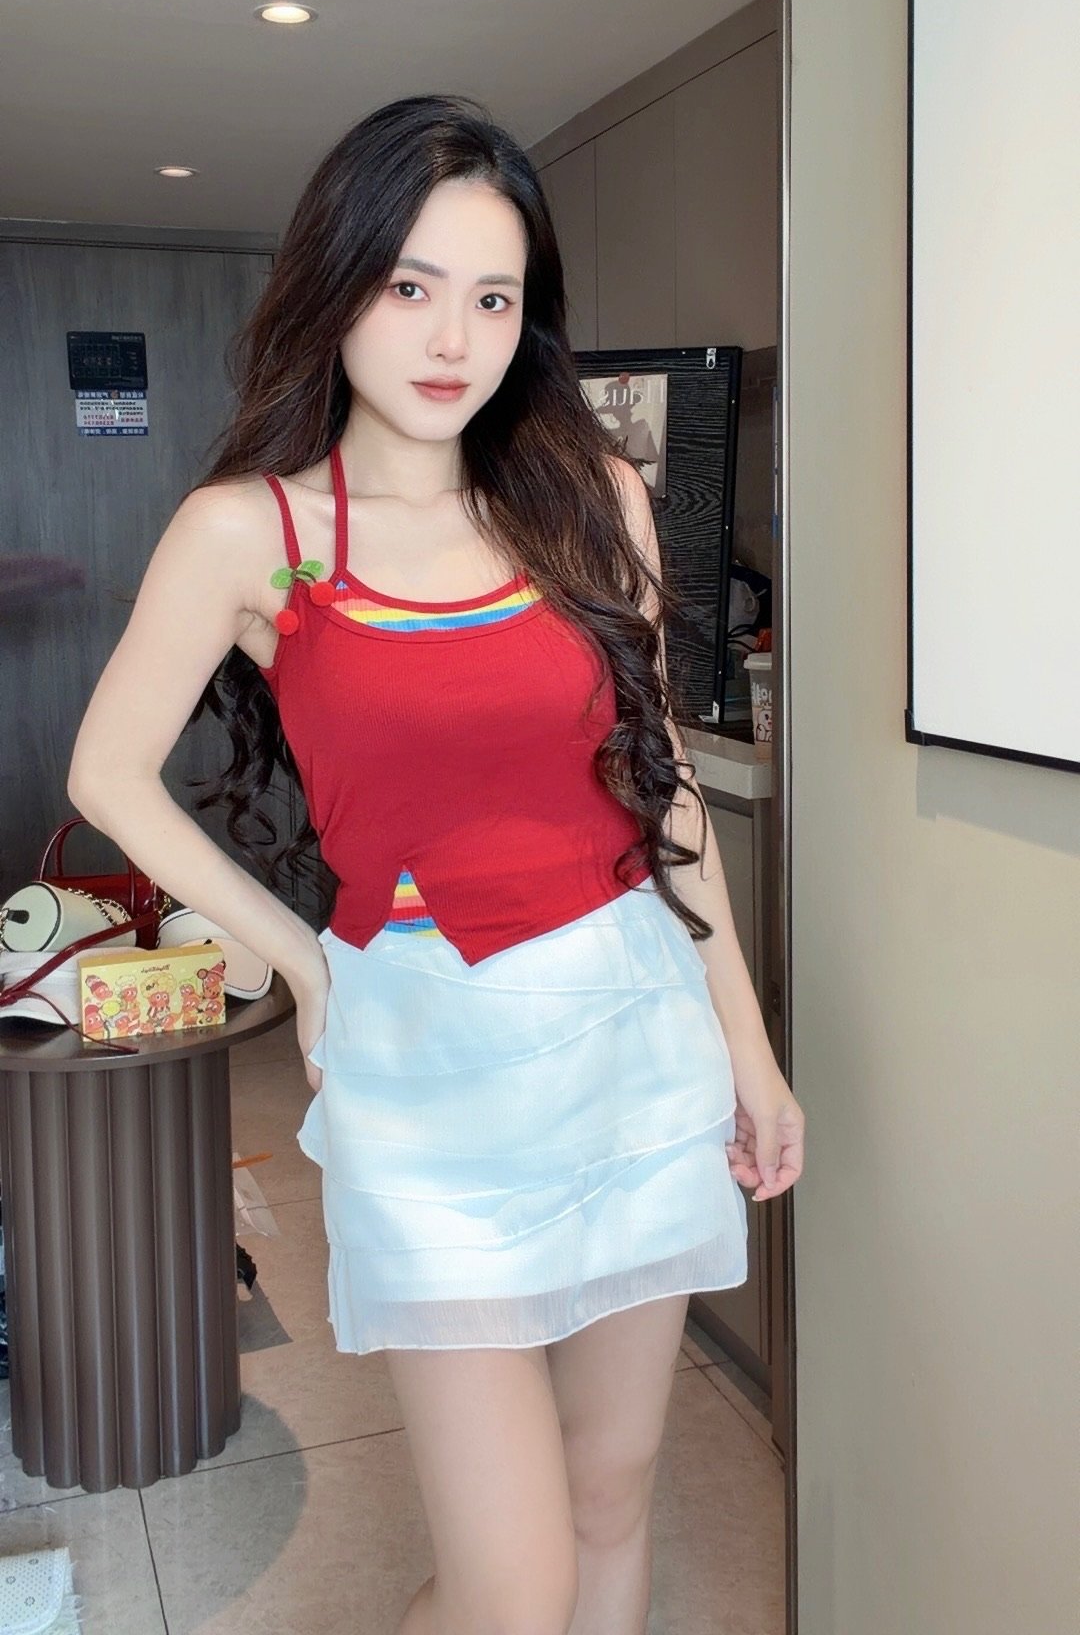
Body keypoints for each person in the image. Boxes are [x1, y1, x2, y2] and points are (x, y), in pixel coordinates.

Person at [67, 94, 804, 1635]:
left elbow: (660, 780)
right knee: (511, 1586)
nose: (451, 338)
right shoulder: (251, 530)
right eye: (410, 285)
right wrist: (304, 959)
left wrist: (747, 1048)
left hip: (632, 1033)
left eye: (494, 296)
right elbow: (108, 775)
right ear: (337, 285)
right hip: (428, 1077)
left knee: (613, 1499)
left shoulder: (589, 499)